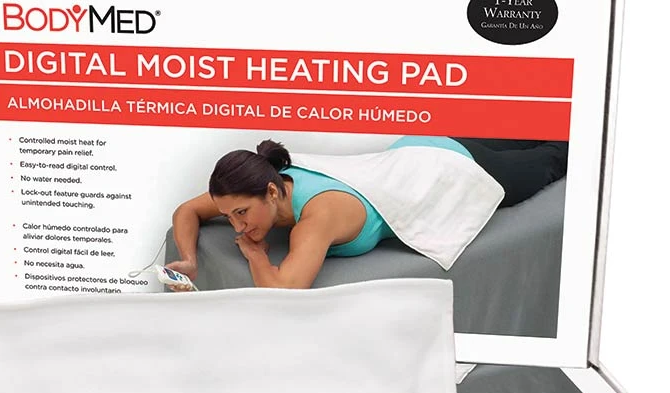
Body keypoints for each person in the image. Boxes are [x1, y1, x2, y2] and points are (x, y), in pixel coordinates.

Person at [167, 136, 568, 290]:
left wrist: (255, 255)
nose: (236, 225)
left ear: (272, 192)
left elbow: (284, 291)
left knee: (553, 156)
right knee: (525, 135)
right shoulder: (258, 180)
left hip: (448, 170)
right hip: (411, 151)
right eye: (228, 216)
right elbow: (187, 210)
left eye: (241, 214)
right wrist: (188, 259)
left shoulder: (317, 218)